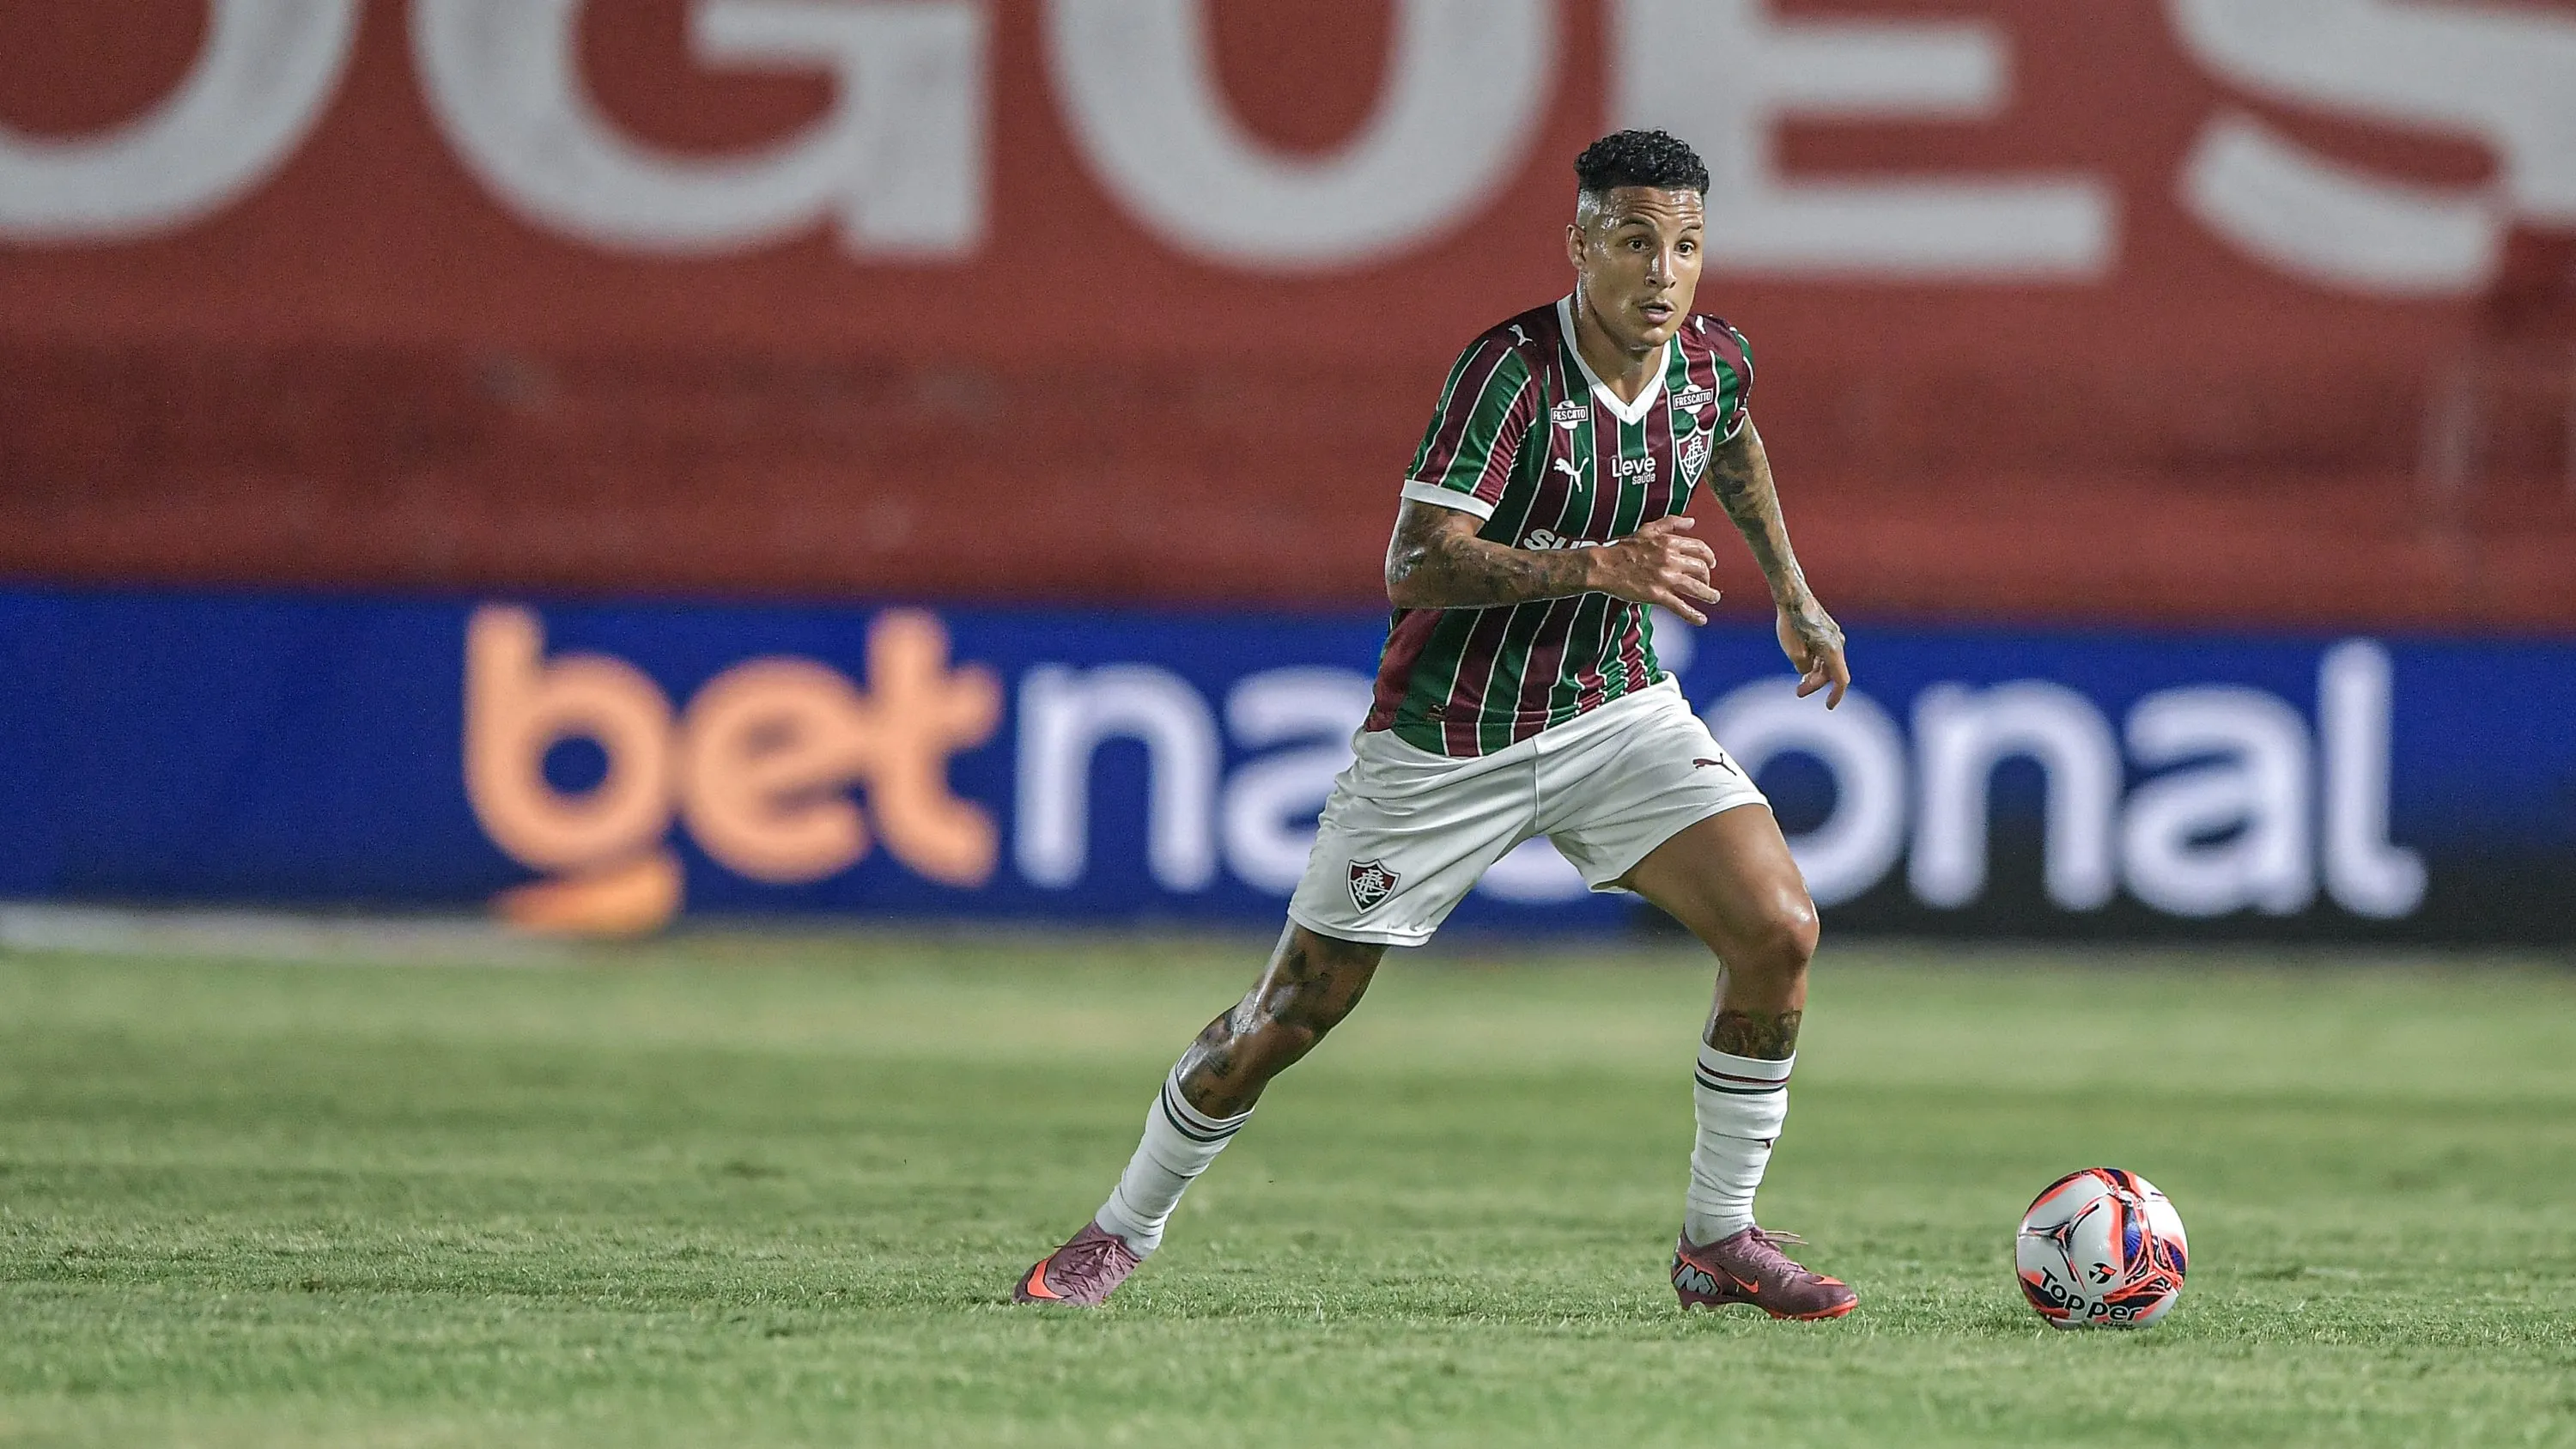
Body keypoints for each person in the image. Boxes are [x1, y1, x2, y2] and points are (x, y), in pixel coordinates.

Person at [1014, 129, 1857, 1320]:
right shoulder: (1509, 372)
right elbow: (1414, 562)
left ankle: (1719, 1236)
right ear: (1578, 246)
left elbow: (1729, 437)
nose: (1663, 273)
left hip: (1613, 709)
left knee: (1779, 926)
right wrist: (1601, 561)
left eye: (1686, 246)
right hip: (1449, 739)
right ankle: (1118, 1229)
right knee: (1291, 1014)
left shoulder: (1715, 361)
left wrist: (1791, 588)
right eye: (1633, 242)